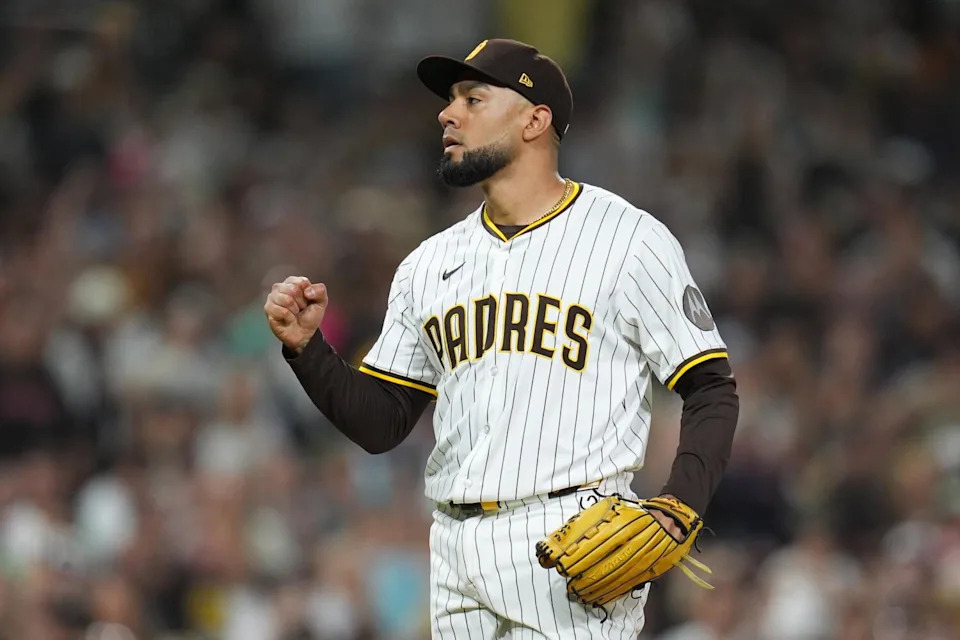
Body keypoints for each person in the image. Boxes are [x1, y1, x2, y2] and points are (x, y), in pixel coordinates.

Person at [264, 38, 739, 639]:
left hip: (572, 543)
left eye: (473, 98)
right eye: (451, 100)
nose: (447, 113)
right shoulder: (429, 264)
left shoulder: (628, 240)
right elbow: (381, 423)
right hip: (454, 545)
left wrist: (679, 506)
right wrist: (309, 351)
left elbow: (711, 388)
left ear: (535, 120)